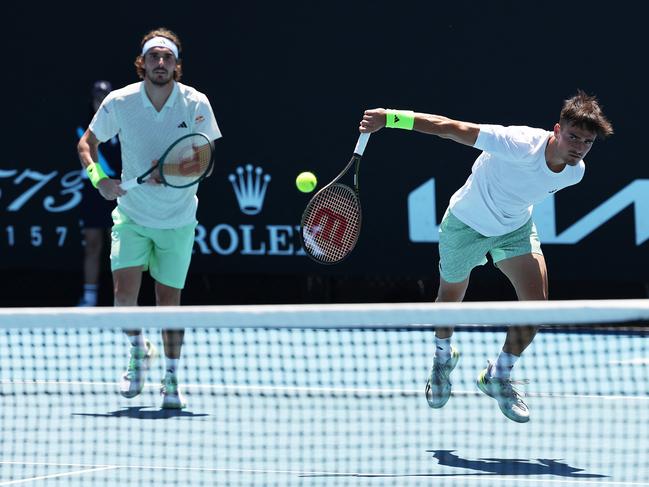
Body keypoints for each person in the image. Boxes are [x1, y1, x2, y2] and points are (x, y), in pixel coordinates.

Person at [359, 91, 613, 422]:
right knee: (449, 298)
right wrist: (389, 117)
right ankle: (442, 357)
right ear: (556, 130)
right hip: (465, 225)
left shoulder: (574, 172)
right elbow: (448, 127)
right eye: (573, 136)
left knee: (536, 306)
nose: (578, 146)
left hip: (514, 229)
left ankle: (498, 374)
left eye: (587, 141)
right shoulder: (517, 143)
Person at [77, 28, 222, 409]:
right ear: (143, 63)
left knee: (167, 302)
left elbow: (206, 162)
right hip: (132, 215)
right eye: (154, 57)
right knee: (124, 297)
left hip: (177, 219)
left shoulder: (195, 103)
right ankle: (138, 351)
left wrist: (173, 168)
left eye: (168, 57)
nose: (161, 63)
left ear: (176, 64)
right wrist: (100, 180)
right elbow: (86, 145)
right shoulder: (119, 102)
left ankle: (171, 378)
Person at [77, 80, 121, 307]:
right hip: (93, 190)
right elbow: (92, 158)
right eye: (97, 98)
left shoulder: (123, 126)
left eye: (104, 97)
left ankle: (121, 302)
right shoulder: (84, 130)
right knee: (93, 244)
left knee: (120, 250)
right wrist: (101, 181)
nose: (100, 102)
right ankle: (90, 298)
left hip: (120, 191)